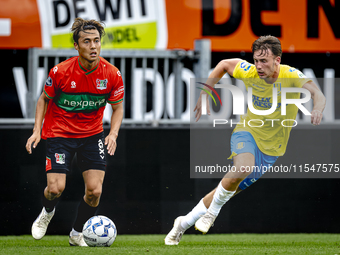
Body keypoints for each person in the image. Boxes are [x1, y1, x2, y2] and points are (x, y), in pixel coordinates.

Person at [165, 35, 326, 245]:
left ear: (277, 60)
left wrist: (318, 108)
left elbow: (317, 93)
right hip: (247, 131)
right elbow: (223, 65)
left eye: (264, 61)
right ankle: (212, 214)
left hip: (272, 150)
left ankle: (182, 224)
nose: (258, 66)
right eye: (256, 60)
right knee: (242, 168)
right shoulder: (249, 71)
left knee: (226, 189)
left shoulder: (291, 75)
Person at [25, 18, 124, 246]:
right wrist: (36, 131)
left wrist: (113, 134)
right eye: (86, 41)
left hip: (91, 136)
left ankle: (77, 233)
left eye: (96, 41)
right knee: (55, 189)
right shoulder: (61, 72)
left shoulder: (112, 74)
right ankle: (47, 212)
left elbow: (117, 107)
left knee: (94, 191)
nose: (93, 46)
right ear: (76, 46)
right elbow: (43, 99)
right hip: (60, 133)